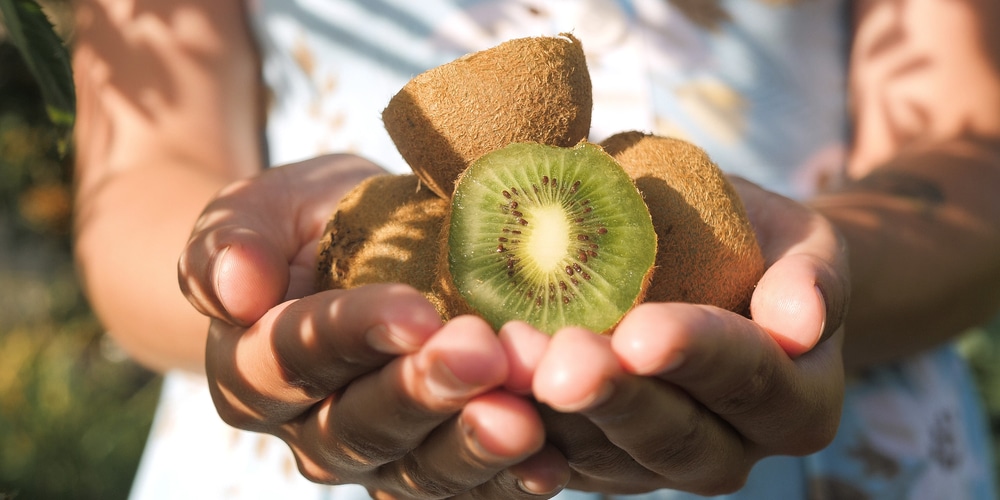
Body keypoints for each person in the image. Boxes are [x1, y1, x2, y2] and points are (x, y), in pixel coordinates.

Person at [70, 0, 1000, 498]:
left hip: (842, 410)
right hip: (308, 422)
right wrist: (241, 286)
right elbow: (144, 168)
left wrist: (802, 281)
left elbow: (971, 151)